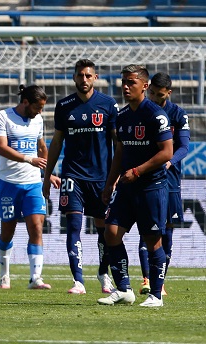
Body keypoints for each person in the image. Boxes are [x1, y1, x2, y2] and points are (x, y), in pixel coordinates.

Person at [98, 64, 172, 307]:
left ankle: (156, 295)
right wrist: (109, 184)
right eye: (124, 82)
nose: (126, 86)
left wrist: (138, 171)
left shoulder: (155, 115)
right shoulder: (121, 116)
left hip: (151, 187)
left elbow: (166, 152)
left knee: (152, 240)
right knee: (111, 233)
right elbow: (119, 153)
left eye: (131, 82)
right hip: (126, 187)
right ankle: (124, 289)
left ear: (145, 86)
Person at [42, 59, 118, 295]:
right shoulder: (64, 105)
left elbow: (117, 143)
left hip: (101, 177)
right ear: (74, 77)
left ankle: (103, 274)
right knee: (73, 225)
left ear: (95, 78)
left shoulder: (108, 104)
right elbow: (56, 142)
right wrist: (47, 176)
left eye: (88, 75)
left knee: (105, 229)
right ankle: (78, 280)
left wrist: (115, 176)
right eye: (80, 75)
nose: (84, 79)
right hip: (72, 175)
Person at [0, 85, 56, 290]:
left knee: (36, 226)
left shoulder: (37, 120)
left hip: (33, 183)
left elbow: (42, 147)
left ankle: (35, 278)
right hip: (9, 183)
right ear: (25, 102)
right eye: (37, 107)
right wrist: (29, 159)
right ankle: (4, 275)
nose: (40, 112)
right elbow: (2, 148)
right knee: (7, 231)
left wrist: (48, 174)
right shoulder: (3, 117)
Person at [138, 72, 189, 296]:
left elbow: (184, 147)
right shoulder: (141, 112)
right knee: (147, 230)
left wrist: (169, 161)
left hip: (170, 181)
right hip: (145, 177)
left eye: (160, 95)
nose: (155, 98)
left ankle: (160, 280)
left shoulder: (178, 114)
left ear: (168, 93)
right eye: (152, 93)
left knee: (167, 232)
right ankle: (146, 279)